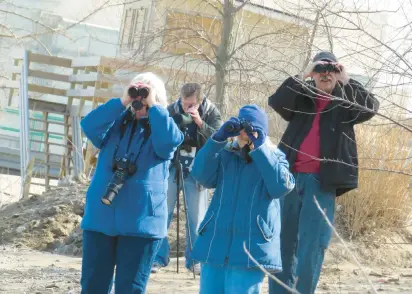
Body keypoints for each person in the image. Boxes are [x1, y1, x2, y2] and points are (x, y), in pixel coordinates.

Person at [268, 51, 380, 294]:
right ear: (313, 74)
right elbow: (276, 101)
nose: (325, 74)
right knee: (282, 243)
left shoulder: (346, 103)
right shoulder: (301, 97)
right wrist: (304, 74)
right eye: (320, 69)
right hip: (289, 180)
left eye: (331, 69)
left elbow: (371, 107)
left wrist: (346, 79)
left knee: (311, 247)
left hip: (322, 183)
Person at [79, 72, 184, 294]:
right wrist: (122, 101)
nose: (141, 98)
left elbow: (169, 142)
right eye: (138, 92)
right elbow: (89, 125)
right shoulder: (116, 122)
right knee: (92, 287)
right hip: (101, 218)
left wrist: (154, 107)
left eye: (145, 93)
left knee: (130, 290)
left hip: (141, 225)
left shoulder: (164, 127)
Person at [189, 105, 295, 294]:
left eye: (252, 130)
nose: (246, 134)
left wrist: (260, 149)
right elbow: (200, 174)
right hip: (215, 243)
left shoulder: (275, 158)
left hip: (251, 249)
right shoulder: (226, 154)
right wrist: (217, 139)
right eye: (243, 130)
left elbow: (281, 187)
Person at [152, 83, 222, 274]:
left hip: (198, 170)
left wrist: (200, 122)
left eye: (191, 104)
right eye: (184, 103)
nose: (186, 108)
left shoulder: (211, 112)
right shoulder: (171, 110)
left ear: (200, 102)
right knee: (162, 212)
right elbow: (160, 136)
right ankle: (157, 257)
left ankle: (195, 260)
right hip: (173, 167)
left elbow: (219, 140)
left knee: (196, 218)